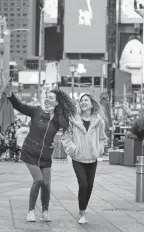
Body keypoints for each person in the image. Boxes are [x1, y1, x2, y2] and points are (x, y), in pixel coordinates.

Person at [5, 85, 76, 222]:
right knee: (38, 179)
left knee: (47, 184)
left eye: (51, 98)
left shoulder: (59, 119)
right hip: (30, 151)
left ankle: (45, 212)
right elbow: (19, 106)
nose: (48, 99)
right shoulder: (36, 111)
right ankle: (31, 211)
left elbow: (72, 128)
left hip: (45, 155)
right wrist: (10, 95)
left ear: (57, 102)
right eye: (47, 97)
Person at [61, 94, 107, 224]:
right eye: (81, 100)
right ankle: (82, 213)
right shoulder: (73, 120)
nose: (83, 102)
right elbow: (66, 137)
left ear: (92, 104)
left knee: (90, 186)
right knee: (83, 184)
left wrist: (99, 149)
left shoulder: (99, 121)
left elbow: (103, 139)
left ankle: (82, 208)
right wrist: (73, 149)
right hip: (78, 158)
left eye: (86, 100)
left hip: (92, 159)